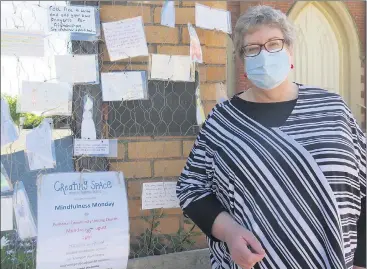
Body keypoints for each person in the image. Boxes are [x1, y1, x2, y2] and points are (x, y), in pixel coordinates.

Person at [176, 5, 366, 269]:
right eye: (252, 48)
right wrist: (230, 233)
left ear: (290, 50)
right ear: (242, 61)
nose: (264, 54)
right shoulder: (223, 121)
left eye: (274, 44)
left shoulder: (333, 110)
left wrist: (361, 261)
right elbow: (191, 188)